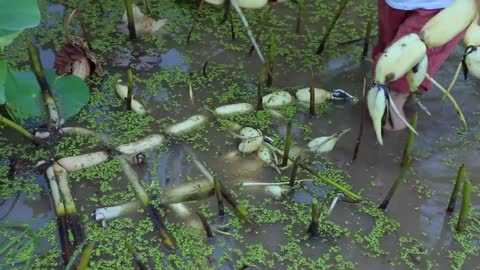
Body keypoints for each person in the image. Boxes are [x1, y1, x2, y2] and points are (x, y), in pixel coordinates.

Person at [373, 0, 464, 130]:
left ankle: (386, 145)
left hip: (440, 9)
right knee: (384, 74)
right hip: (395, 4)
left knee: (392, 89)